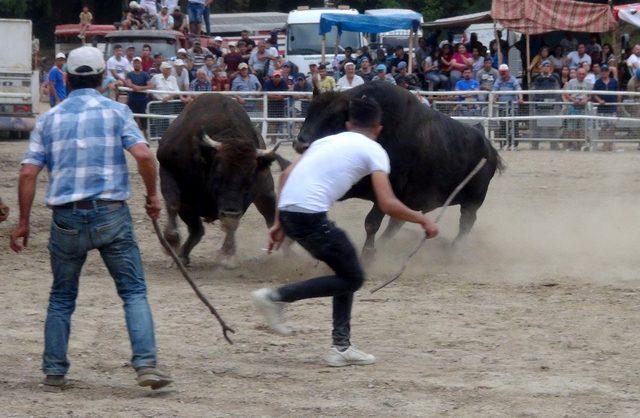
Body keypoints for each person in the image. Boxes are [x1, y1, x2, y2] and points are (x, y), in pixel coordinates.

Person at [10, 46, 172, 391]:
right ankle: (145, 364)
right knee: (133, 292)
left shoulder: (49, 119)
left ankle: (54, 370)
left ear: (66, 79)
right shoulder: (118, 112)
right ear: (103, 79)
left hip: (66, 217)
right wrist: (152, 195)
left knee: (62, 296)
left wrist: (23, 223)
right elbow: (143, 155)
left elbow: (27, 174)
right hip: (111, 213)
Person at [251, 96, 438, 367]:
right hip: (309, 216)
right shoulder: (375, 151)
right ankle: (276, 297)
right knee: (353, 277)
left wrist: (280, 222)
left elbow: (286, 174)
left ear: (349, 123)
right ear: (379, 128)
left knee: (346, 270)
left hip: (293, 212)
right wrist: (422, 219)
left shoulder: (325, 141)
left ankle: (341, 346)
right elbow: (387, 203)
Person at [532, 60, 562, 150]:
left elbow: (557, 91)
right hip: (540, 104)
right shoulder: (537, 78)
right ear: (541, 67)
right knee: (537, 126)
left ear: (550, 68)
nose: (546, 68)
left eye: (548, 66)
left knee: (552, 126)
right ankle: (535, 145)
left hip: (552, 105)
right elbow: (535, 91)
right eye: (545, 66)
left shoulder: (555, 77)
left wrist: (558, 103)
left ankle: (554, 145)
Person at [493, 64, 523, 150]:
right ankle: (504, 144)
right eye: (501, 72)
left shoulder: (513, 79)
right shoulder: (498, 80)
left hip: (513, 106)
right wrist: (494, 98)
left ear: (508, 72)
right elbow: (495, 90)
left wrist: (520, 98)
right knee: (503, 126)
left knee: (514, 125)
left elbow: (518, 89)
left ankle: (514, 144)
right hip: (502, 106)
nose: (503, 74)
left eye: (504, 72)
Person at [562, 67, 593, 149]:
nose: (581, 75)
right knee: (571, 127)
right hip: (573, 107)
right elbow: (566, 94)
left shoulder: (588, 83)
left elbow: (590, 95)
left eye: (583, 74)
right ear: (576, 74)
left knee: (583, 127)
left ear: (585, 75)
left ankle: (581, 144)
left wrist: (586, 99)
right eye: (580, 74)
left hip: (583, 107)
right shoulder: (571, 82)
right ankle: (572, 145)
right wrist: (573, 100)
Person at [593, 64, 619, 151]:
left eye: (606, 71)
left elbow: (618, 94)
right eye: (602, 71)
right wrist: (599, 100)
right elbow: (594, 94)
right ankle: (605, 143)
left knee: (612, 126)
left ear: (608, 72)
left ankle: (610, 143)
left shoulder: (614, 81)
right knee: (603, 127)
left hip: (612, 108)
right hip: (602, 108)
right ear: (600, 72)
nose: (604, 72)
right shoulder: (597, 82)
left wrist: (617, 105)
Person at [125, 56, 152, 131]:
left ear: (141, 64)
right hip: (132, 100)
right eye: (135, 63)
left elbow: (150, 85)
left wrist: (139, 88)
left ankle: (146, 138)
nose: (136, 64)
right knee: (131, 120)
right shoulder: (129, 74)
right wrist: (135, 87)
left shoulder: (145, 74)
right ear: (133, 64)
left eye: (138, 63)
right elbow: (128, 84)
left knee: (144, 121)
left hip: (142, 101)